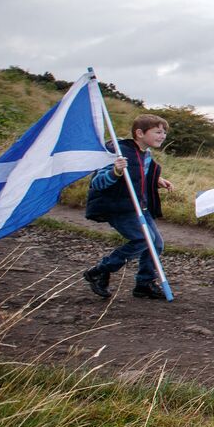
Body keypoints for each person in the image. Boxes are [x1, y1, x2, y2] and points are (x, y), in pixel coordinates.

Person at [82, 114, 174, 300]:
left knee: (155, 244)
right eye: (157, 131)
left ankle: (144, 284)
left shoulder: (145, 154)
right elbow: (98, 183)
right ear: (140, 133)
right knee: (142, 240)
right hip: (118, 207)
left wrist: (157, 180)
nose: (162, 136)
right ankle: (99, 271)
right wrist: (115, 171)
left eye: (164, 132)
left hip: (139, 205)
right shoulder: (118, 153)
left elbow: (140, 174)